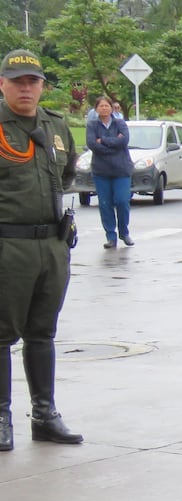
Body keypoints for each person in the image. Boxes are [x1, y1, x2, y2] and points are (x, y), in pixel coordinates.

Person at [0, 49, 83, 452]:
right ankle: (1, 417)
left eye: (33, 81)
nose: (26, 88)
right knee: (1, 334)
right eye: (17, 82)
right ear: (2, 84)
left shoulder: (56, 125)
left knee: (43, 332)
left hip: (51, 245)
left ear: (42, 87)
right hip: (7, 246)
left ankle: (45, 415)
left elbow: (66, 174)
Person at [86, 95, 133, 249]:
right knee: (105, 204)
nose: (104, 108)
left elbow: (123, 141)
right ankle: (110, 236)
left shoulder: (120, 123)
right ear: (96, 109)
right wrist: (113, 144)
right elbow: (92, 144)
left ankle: (124, 232)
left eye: (107, 106)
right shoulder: (92, 125)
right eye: (101, 106)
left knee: (122, 201)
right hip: (101, 170)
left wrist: (104, 140)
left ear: (112, 108)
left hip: (121, 169)